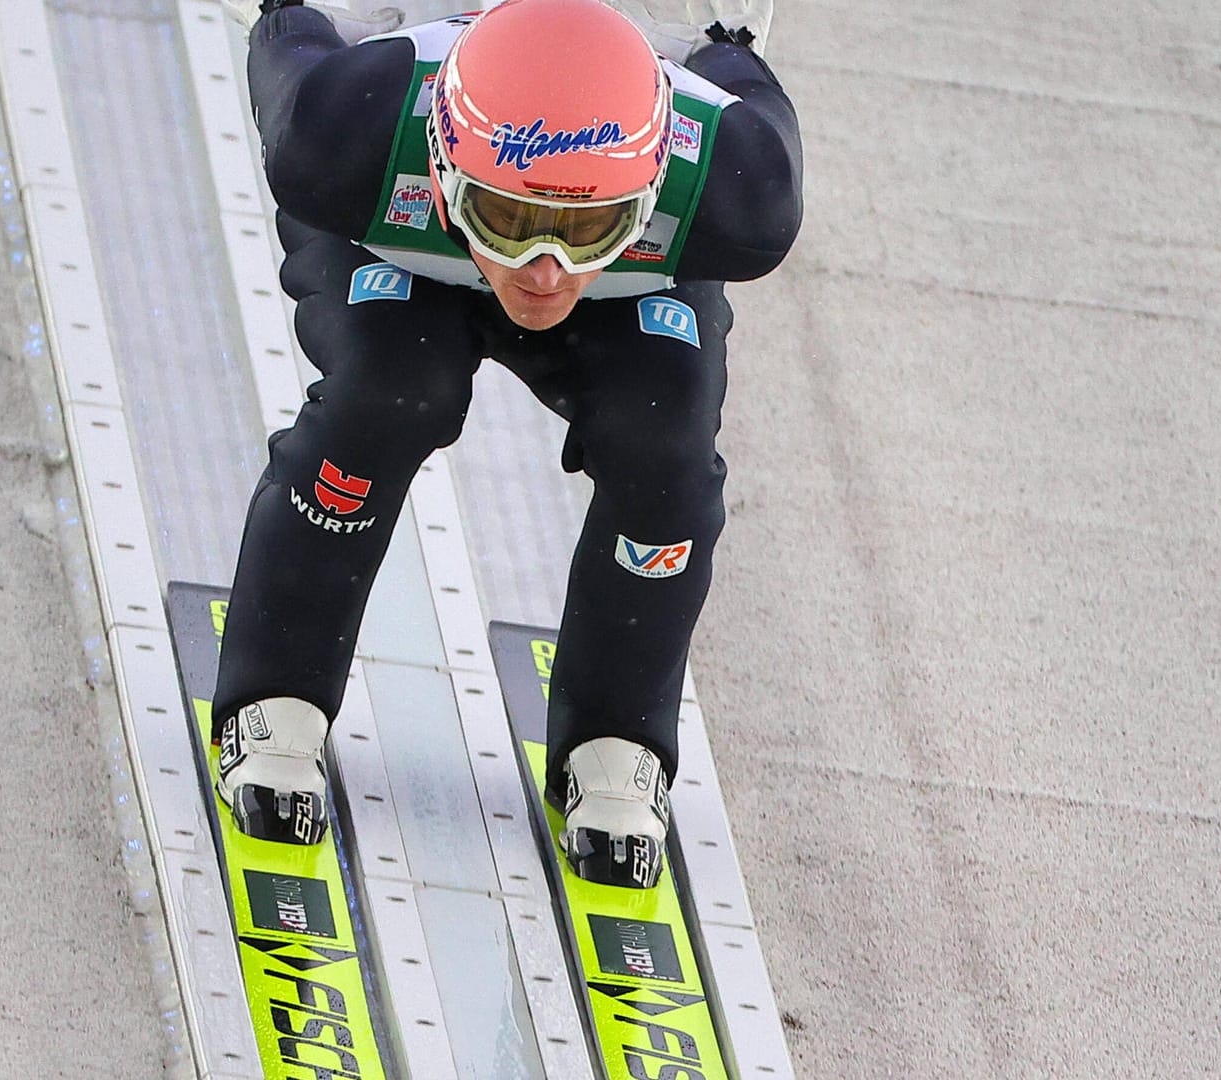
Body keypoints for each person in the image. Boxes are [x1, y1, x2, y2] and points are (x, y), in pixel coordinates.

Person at [209, 0, 802, 887]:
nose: (544, 272)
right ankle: (276, 691)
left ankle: (617, 732)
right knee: (386, 398)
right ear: (443, 156)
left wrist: (722, 49)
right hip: (412, 239)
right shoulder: (343, 131)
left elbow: (731, 59)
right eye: (513, 219)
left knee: (667, 458)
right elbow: (288, 28)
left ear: (653, 188)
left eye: (585, 224)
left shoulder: (740, 189)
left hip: (517, 248)